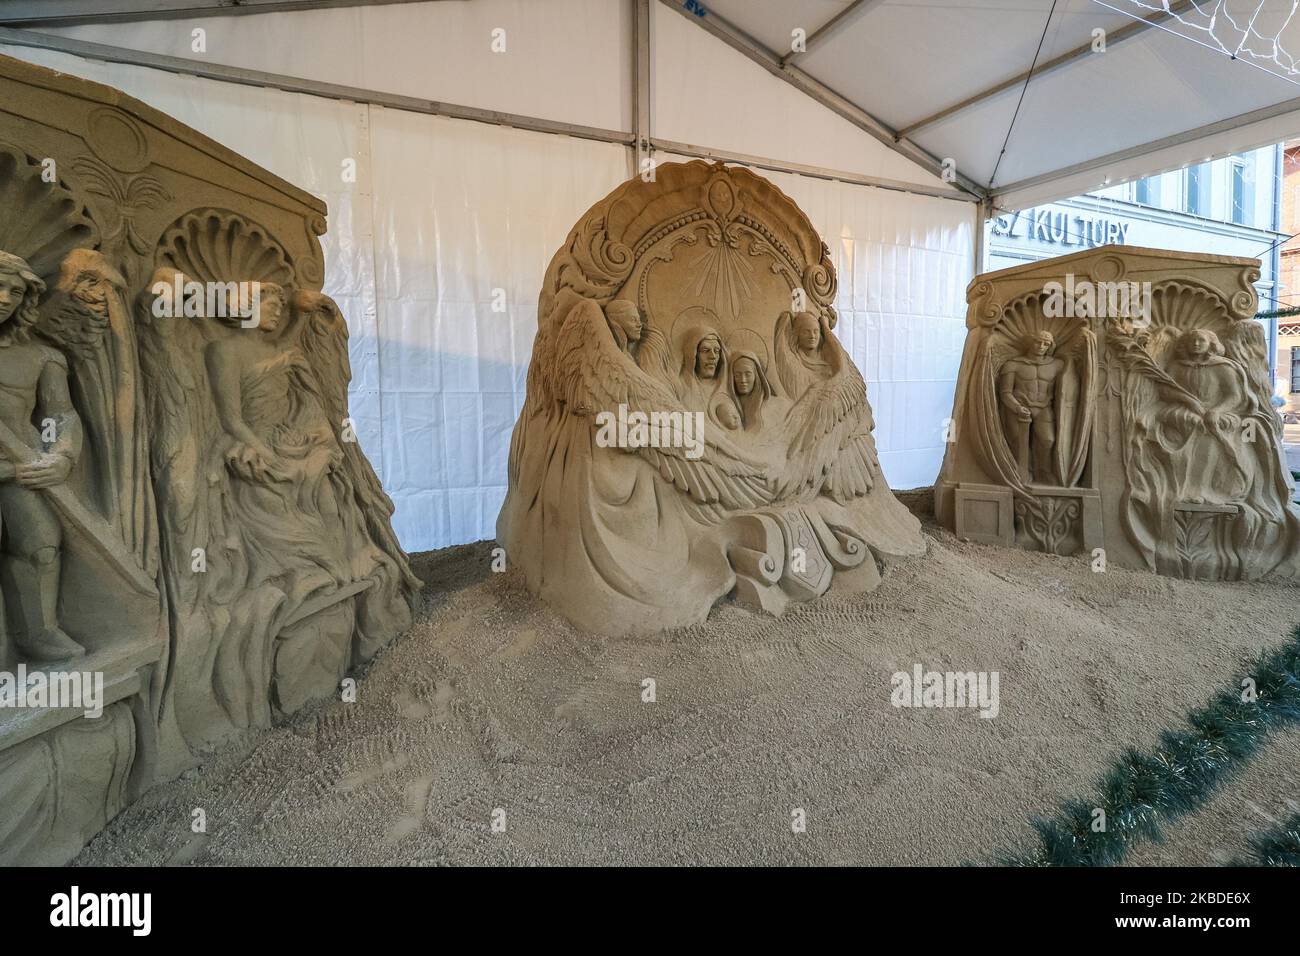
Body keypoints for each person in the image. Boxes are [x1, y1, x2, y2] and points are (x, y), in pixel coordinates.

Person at [0, 250, 84, 662]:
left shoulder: (40, 357)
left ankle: (39, 633)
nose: (5, 297)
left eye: (15, 291)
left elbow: (62, 414)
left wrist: (62, 458)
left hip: (23, 469)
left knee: (41, 544)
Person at [998, 331, 1065, 484]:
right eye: (1038, 342)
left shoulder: (1057, 365)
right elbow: (1005, 392)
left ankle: (1043, 471)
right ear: (1030, 342)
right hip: (1018, 409)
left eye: (1046, 344)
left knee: (1048, 440)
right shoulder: (1013, 365)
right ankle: (1023, 472)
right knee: (1019, 442)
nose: (1041, 346)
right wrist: (1017, 407)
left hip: (1044, 408)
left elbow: (1067, 389)